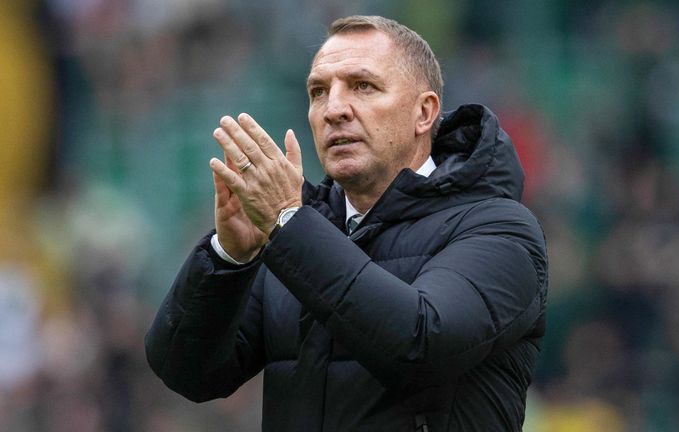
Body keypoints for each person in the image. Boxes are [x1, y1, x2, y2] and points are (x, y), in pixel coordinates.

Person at [145, 15, 548, 432]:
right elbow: (185, 371)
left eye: (363, 86)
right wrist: (229, 258)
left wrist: (289, 223)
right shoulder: (295, 235)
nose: (334, 109)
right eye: (319, 92)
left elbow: (421, 343)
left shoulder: (501, 230)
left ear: (424, 112)